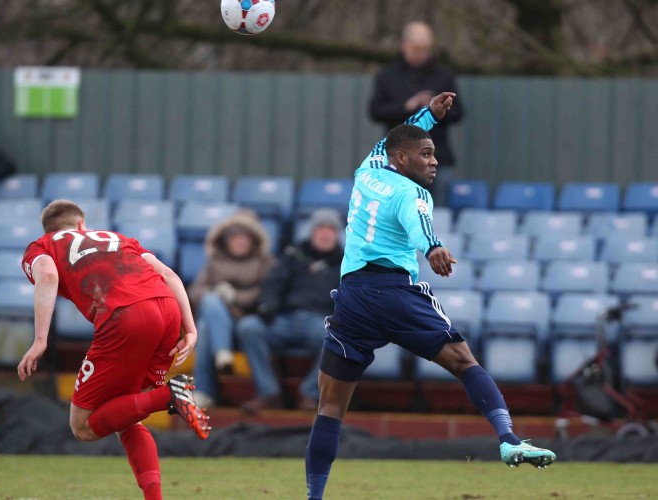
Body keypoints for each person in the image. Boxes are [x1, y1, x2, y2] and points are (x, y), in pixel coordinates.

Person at [304, 94, 555, 499]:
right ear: (402, 161)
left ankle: (314, 496)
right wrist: (434, 246)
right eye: (425, 154)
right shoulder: (413, 194)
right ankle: (508, 439)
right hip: (393, 293)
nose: (434, 161)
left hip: (352, 297)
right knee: (464, 361)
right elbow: (419, 222)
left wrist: (430, 117)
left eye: (433, 153)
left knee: (330, 406)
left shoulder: (367, 170)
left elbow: (390, 138)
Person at [18, 199, 210, 500]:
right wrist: (191, 329)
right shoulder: (118, 239)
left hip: (125, 316)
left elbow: (48, 275)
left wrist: (40, 340)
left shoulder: (40, 246)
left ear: (48, 229)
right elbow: (170, 275)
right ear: (82, 224)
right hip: (168, 309)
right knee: (125, 415)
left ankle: (169, 395)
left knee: (82, 427)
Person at [236, 208, 343, 412]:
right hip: (283, 320)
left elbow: (351, 297)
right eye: (321, 228)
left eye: (331, 229)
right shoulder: (293, 255)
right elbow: (273, 284)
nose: (326, 233)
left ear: (338, 234)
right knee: (248, 327)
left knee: (341, 339)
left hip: (320, 323)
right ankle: (268, 393)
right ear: (312, 232)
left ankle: (310, 394)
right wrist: (267, 306)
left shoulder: (347, 263)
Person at [369, 21, 463, 206]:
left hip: (437, 158)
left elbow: (459, 113)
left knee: (435, 214)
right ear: (404, 45)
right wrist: (406, 106)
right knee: (395, 211)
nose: (422, 55)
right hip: (398, 160)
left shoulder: (443, 76)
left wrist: (436, 109)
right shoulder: (387, 76)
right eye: (417, 49)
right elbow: (375, 111)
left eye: (426, 50)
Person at [188, 209, 273, 407]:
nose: (240, 242)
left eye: (245, 237)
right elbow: (195, 291)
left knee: (206, 324)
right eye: (236, 237)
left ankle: (205, 389)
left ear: (253, 240)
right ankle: (221, 355)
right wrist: (217, 293)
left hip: (246, 318)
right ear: (227, 240)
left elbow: (265, 292)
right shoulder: (214, 261)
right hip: (218, 319)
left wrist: (235, 296)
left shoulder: (265, 263)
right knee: (209, 307)